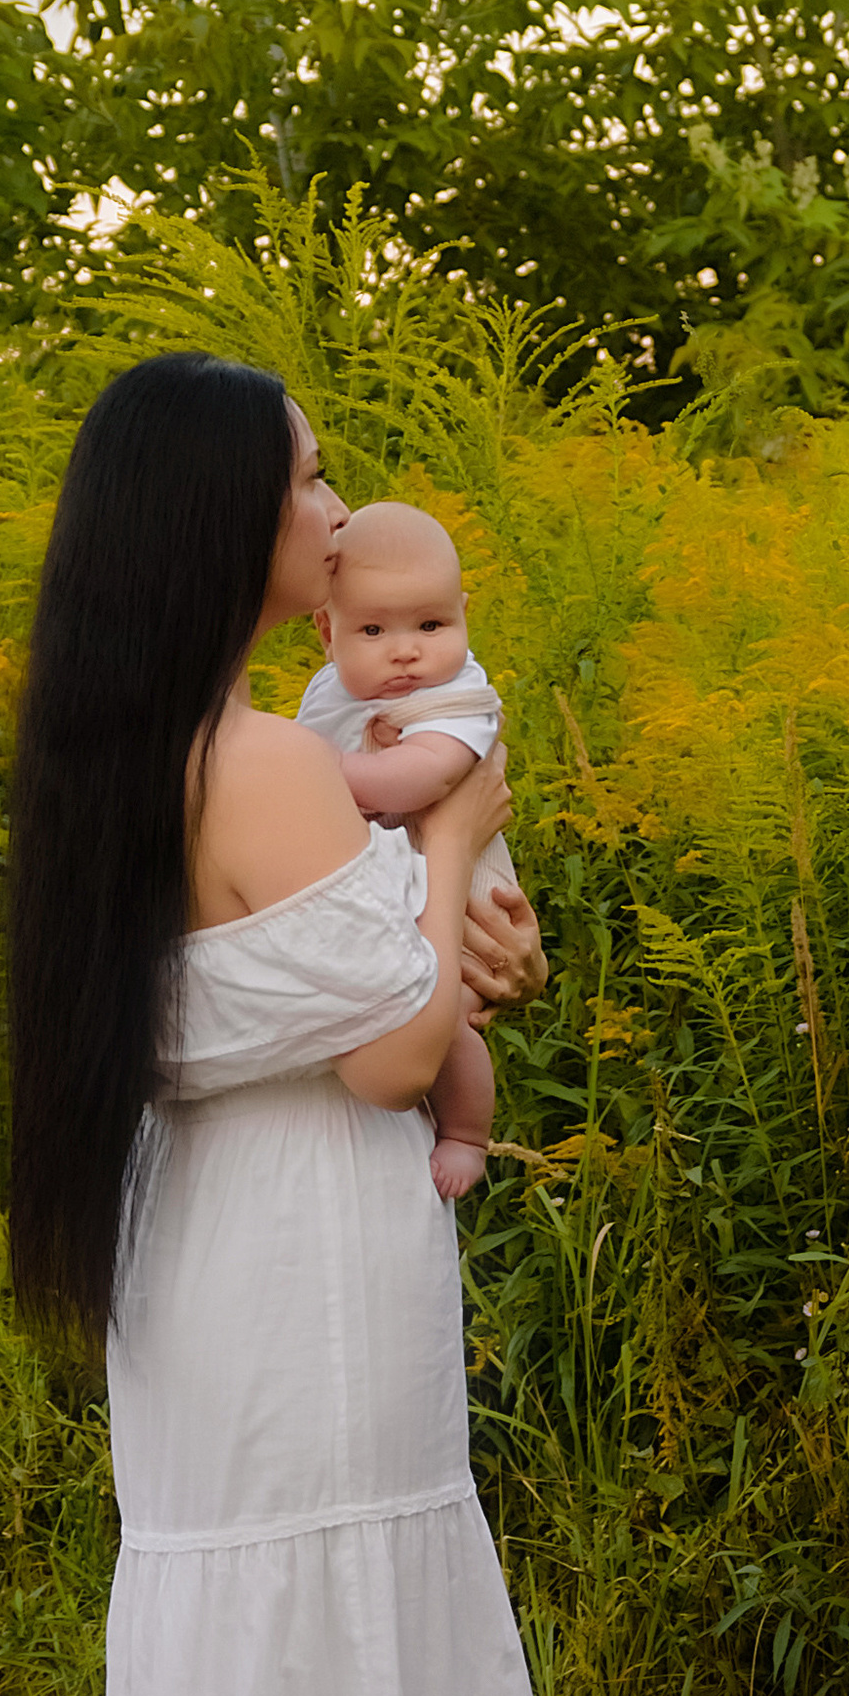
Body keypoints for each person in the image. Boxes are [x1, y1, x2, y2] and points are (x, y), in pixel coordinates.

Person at [0, 354, 667, 1696]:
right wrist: (464, 844)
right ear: (221, 521)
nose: (337, 511)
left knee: (253, 1663)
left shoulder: (134, 754)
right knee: (342, 1640)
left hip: (206, 1259)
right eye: (303, 482)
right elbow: (383, 1051)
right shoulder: (277, 763)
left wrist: (466, 937)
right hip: (307, 1262)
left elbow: (397, 990)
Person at [295, 498, 516, 1200]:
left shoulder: (456, 697)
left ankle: (467, 1132)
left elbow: (417, 779)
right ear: (327, 632)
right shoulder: (333, 692)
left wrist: (309, 771)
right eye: (372, 629)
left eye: (431, 624)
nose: (406, 651)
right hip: (394, 894)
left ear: (463, 615)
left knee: (445, 1020)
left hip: (463, 906)